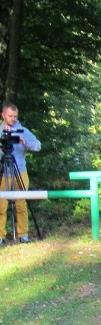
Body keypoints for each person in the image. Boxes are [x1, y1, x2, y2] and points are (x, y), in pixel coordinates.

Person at [0, 104, 41, 243]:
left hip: (20, 170)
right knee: (1, 205)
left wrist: (25, 143)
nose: (12, 119)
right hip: (3, 171)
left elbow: (38, 145)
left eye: (15, 116)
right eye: (10, 116)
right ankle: (0, 235)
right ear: (3, 115)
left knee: (21, 203)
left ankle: (23, 234)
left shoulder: (22, 130)